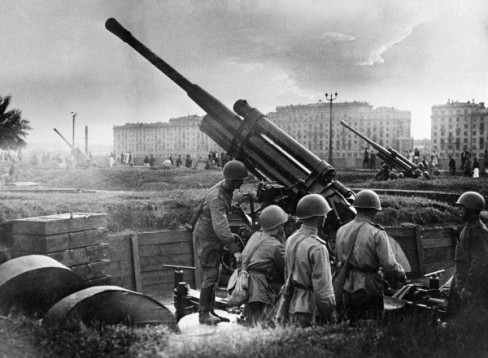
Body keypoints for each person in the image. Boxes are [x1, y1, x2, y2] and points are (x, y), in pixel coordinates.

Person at [335, 190, 406, 323]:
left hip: (346, 284)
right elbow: (389, 265)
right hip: (368, 286)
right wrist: (401, 274)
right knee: (371, 323)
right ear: (373, 211)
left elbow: (337, 258)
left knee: (349, 323)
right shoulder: (377, 233)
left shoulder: (342, 229)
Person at [193, 160, 248, 325]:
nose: (240, 186)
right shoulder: (217, 197)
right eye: (239, 182)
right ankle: (203, 314)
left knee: (214, 273)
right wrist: (235, 249)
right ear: (232, 180)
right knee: (211, 275)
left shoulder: (224, 189)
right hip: (207, 237)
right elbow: (220, 227)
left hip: (211, 236)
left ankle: (210, 312)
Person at [285, 194, 336, 327]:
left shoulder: (291, 239)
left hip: (292, 304)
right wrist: (331, 315)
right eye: (324, 215)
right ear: (319, 218)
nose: (325, 218)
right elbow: (323, 289)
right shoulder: (317, 247)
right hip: (309, 308)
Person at [240, 205, 286, 326]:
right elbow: (286, 265)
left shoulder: (255, 236)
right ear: (279, 226)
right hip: (259, 286)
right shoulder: (276, 245)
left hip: (246, 279)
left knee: (250, 318)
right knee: (262, 322)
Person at [449, 191, 488, 313]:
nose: (459, 210)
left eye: (462, 207)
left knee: (469, 318)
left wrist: (468, 288)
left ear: (471, 209)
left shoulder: (478, 231)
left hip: (472, 287)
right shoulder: (470, 227)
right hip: (462, 281)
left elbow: (479, 263)